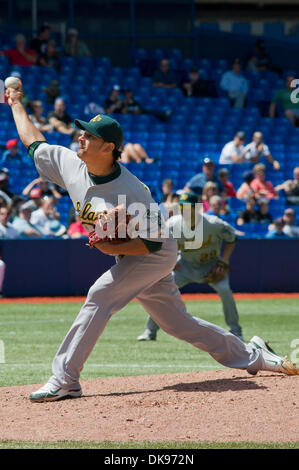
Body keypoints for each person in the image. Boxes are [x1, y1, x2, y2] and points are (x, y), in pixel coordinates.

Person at [6, 83, 298, 403]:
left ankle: (65, 379)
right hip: (132, 254)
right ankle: (255, 355)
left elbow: (153, 246)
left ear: (108, 148)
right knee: (177, 324)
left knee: (100, 294)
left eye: (89, 135)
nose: (81, 136)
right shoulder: (69, 163)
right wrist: (16, 102)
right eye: (82, 132)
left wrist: (112, 247)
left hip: (155, 252)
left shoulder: (132, 192)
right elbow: (33, 142)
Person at [138, 192, 243, 341]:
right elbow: (162, 243)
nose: (185, 210)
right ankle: (150, 331)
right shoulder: (173, 224)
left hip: (211, 266)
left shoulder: (213, 223)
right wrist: (170, 260)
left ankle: (236, 331)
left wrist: (225, 260)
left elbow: (232, 237)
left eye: (189, 207)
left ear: (197, 208)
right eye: (182, 206)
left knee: (225, 290)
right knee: (161, 291)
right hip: (184, 266)